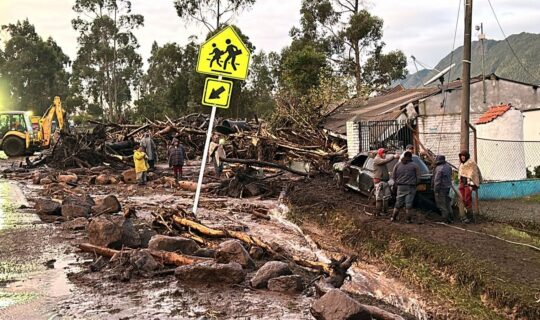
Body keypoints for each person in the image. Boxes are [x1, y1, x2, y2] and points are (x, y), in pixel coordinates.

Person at [391, 151, 421, 223]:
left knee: (398, 203)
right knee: (408, 204)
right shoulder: (415, 166)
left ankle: (393, 217)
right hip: (410, 187)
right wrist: (415, 184)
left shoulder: (397, 165)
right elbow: (418, 178)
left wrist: (396, 184)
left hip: (400, 187)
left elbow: (393, 176)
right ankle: (408, 220)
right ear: (411, 157)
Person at [373, 148, 399, 216]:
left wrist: (387, 173)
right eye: (384, 153)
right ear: (381, 153)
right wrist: (393, 156)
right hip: (379, 182)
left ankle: (385, 212)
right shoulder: (377, 159)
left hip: (384, 181)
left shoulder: (380, 159)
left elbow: (381, 168)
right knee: (379, 198)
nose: (385, 154)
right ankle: (377, 213)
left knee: (386, 197)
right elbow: (385, 161)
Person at [458, 150, 482, 222]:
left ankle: (470, 216)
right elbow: (461, 174)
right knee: (462, 199)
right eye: (461, 156)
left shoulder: (471, 163)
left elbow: (474, 174)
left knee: (467, 199)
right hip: (463, 184)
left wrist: (471, 185)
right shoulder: (462, 164)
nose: (462, 158)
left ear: (466, 156)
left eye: (463, 156)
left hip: (469, 184)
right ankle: (463, 216)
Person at [433, 155, 454, 223]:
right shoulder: (448, 167)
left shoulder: (439, 169)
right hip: (448, 187)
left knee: (441, 204)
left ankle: (445, 219)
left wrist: (436, 190)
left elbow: (437, 181)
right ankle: (451, 217)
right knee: (448, 203)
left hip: (441, 188)